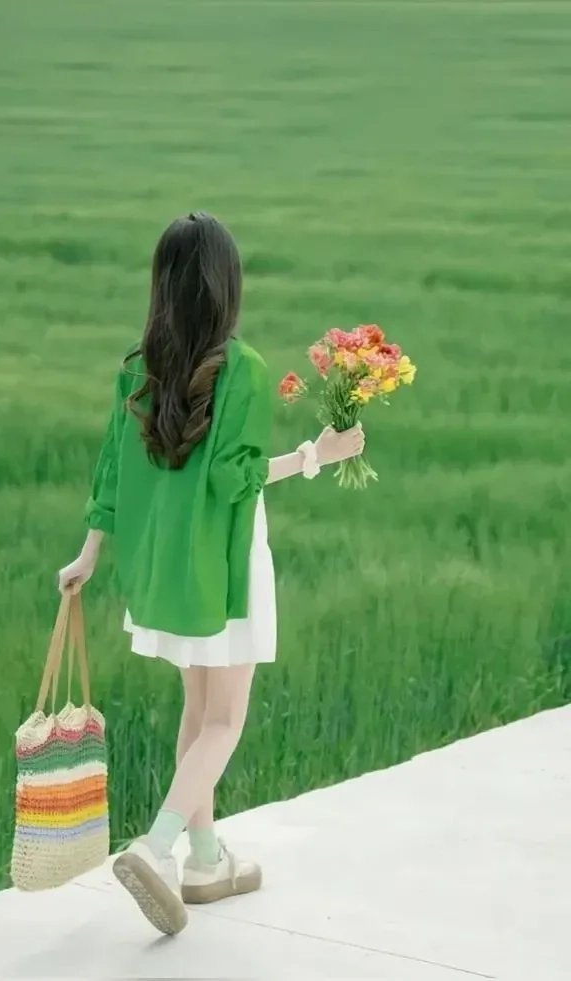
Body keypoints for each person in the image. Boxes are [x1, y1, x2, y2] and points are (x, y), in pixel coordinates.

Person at [58, 212, 364, 936]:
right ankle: (156, 846)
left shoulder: (139, 367)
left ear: (162, 285)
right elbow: (237, 480)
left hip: (162, 571)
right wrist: (317, 455)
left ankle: (205, 859)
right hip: (224, 570)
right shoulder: (242, 368)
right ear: (226, 285)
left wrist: (88, 555)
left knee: (198, 712)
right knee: (224, 719)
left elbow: (110, 470)